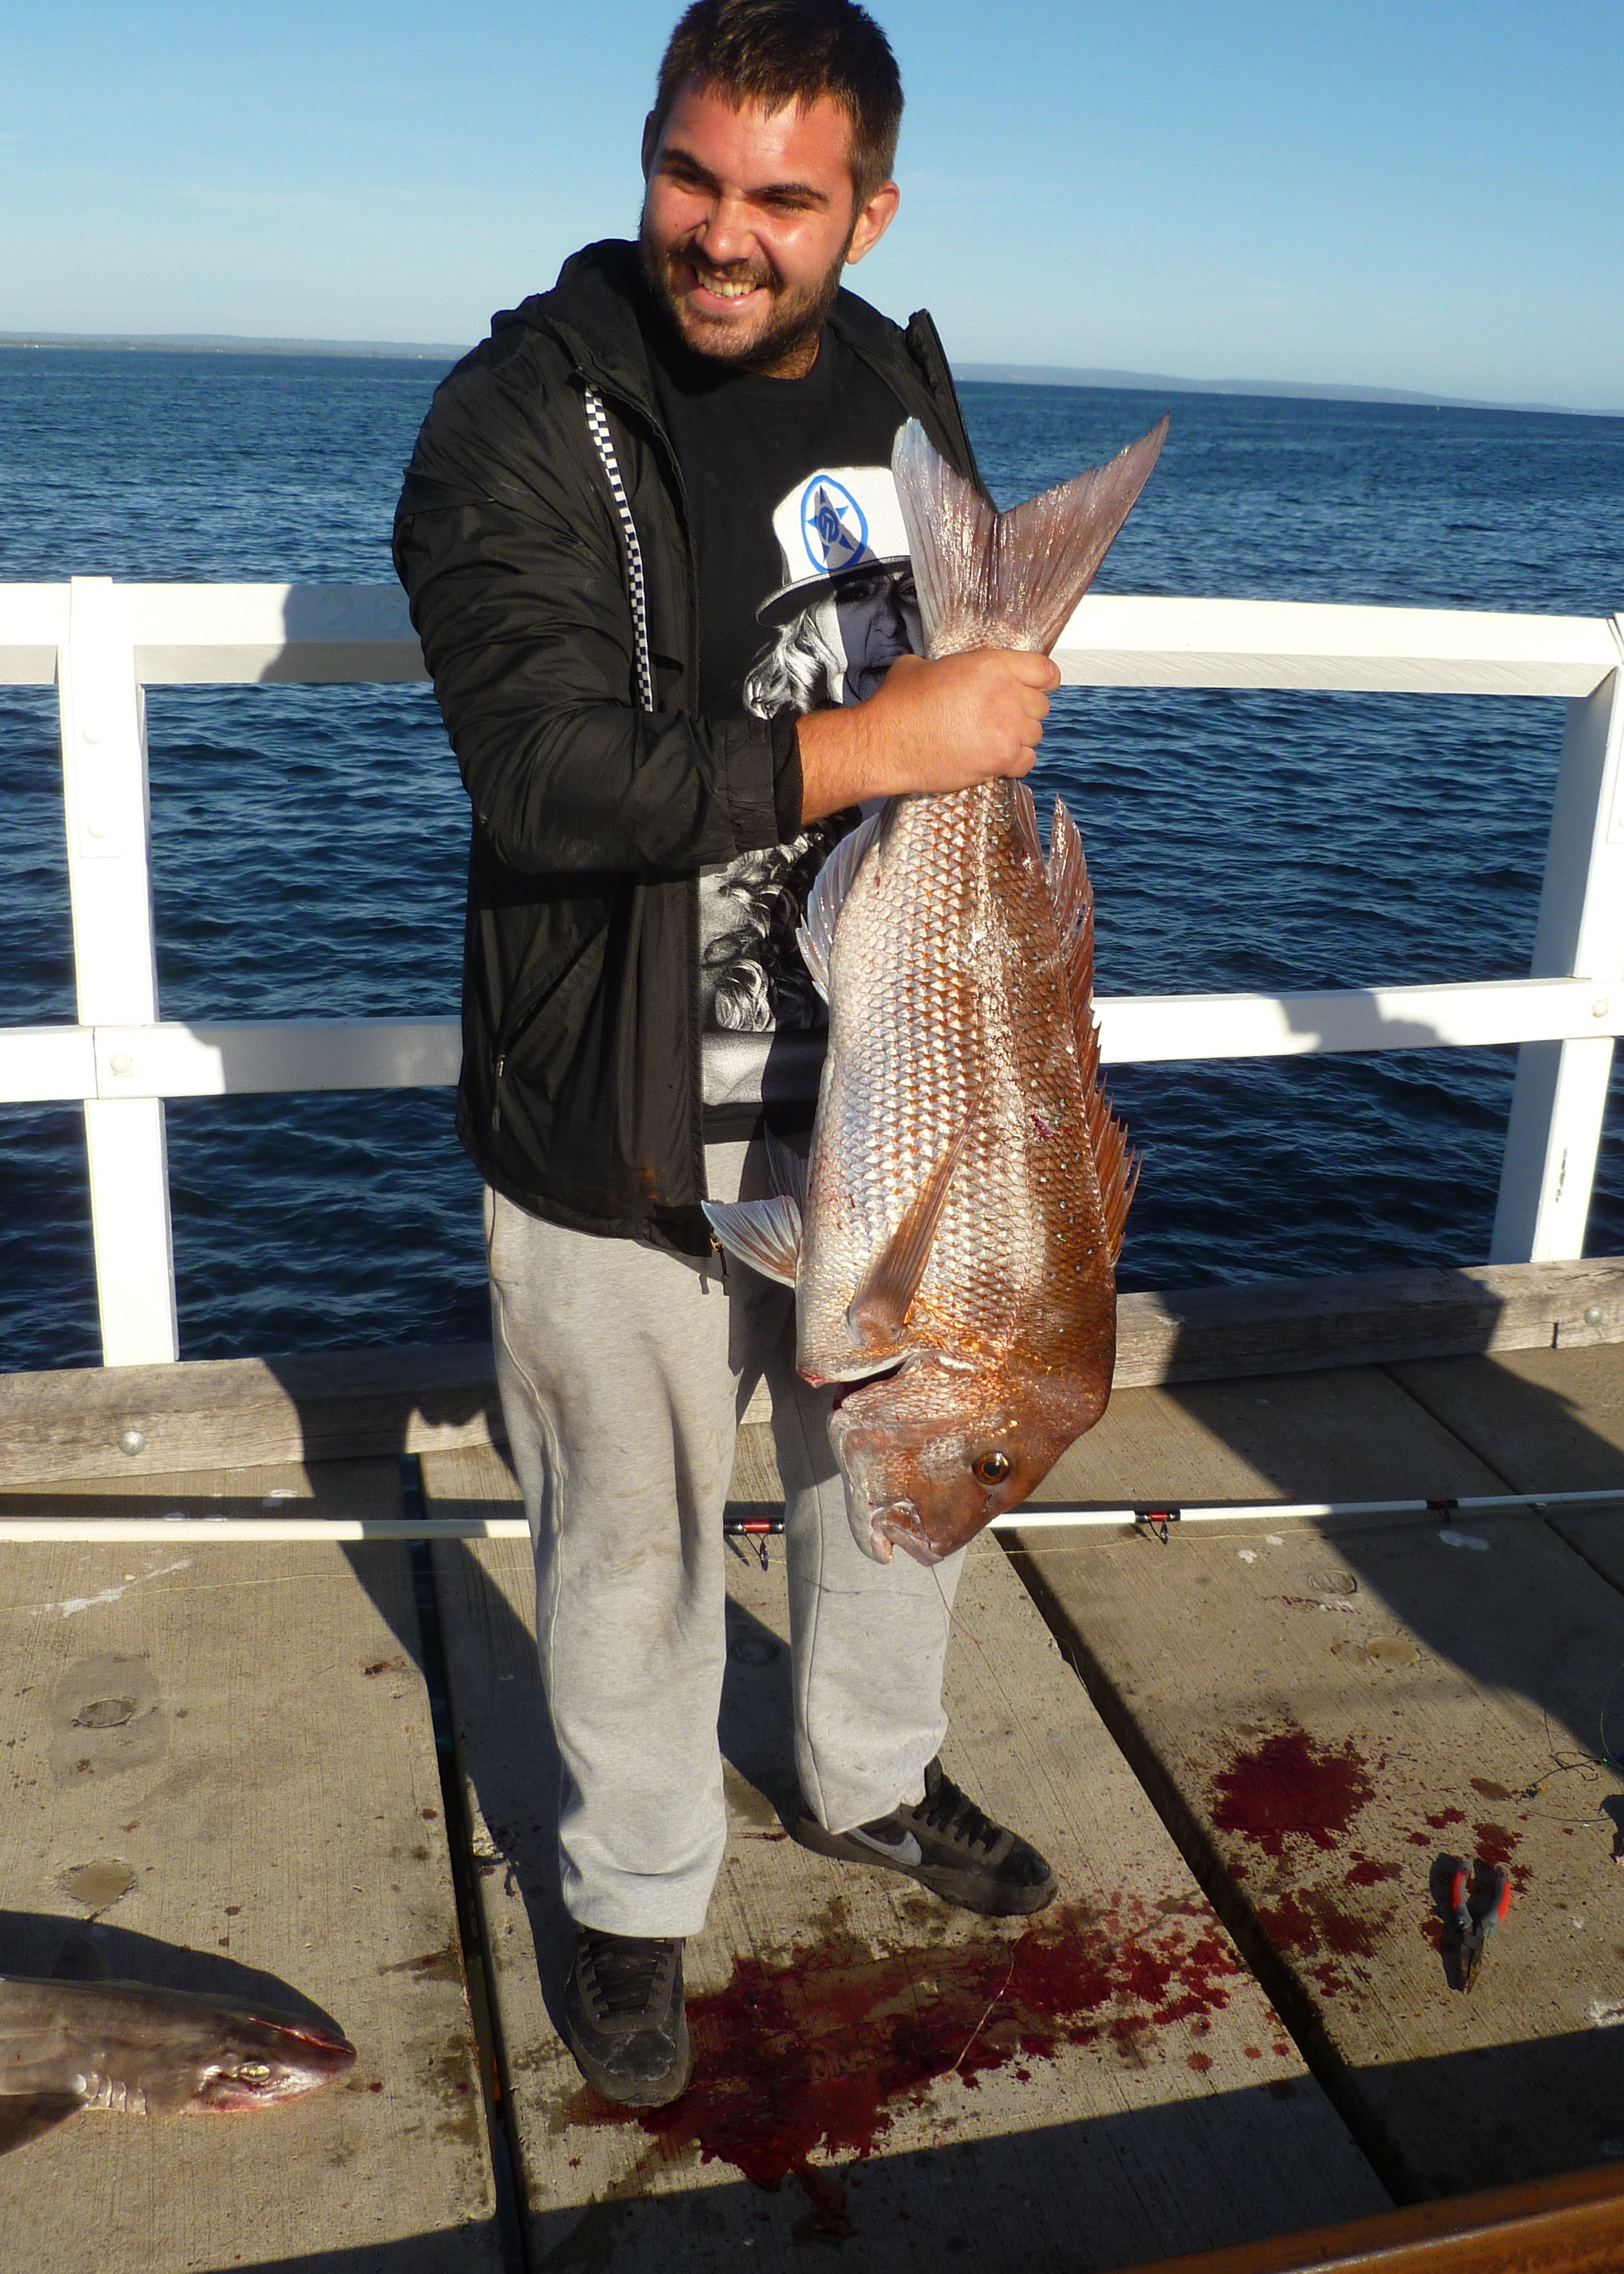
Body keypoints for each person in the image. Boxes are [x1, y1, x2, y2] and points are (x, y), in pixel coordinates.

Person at [393, 0, 1063, 2110]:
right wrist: (902, 738)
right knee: (633, 1536)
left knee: (897, 1492)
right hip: (619, 1123)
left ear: (870, 204)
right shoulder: (515, 415)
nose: (728, 234)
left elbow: (955, 706)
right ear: (649, 157)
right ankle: (633, 1887)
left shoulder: (902, 391)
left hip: (894, 1086)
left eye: (786, 198)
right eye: (694, 176)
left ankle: (867, 1779)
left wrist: (985, 725)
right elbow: (546, 773)